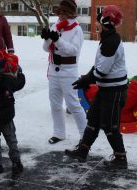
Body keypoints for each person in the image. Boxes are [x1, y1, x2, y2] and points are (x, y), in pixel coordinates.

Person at [65, 5, 128, 169]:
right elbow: (98, 66)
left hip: (114, 91)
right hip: (106, 89)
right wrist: (86, 77)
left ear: (106, 21)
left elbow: (102, 71)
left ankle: (121, 159)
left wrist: (87, 81)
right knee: (93, 119)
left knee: (110, 125)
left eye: (99, 20)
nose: (97, 23)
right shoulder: (107, 38)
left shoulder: (111, 42)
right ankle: (83, 151)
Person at [41, 0, 87, 144]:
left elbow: (73, 50)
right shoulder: (56, 26)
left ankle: (85, 136)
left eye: (64, 12)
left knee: (73, 104)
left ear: (70, 13)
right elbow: (45, 48)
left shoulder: (76, 29)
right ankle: (59, 133)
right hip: (54, 70)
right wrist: (47, 38)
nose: (60, 15)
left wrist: (58, 40)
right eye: (59, 12)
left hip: (68, 71)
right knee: (55, 104)